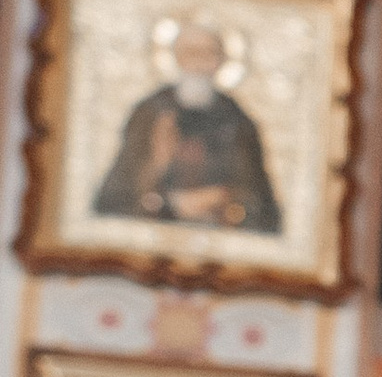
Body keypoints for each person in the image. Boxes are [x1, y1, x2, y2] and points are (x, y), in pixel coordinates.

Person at [91, 19, 280, 231]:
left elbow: (257, 198)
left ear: (221, 60)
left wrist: (224, 198)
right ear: (177, 58)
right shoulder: (149, 113)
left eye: (209, 53)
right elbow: (117, 195)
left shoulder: (237, 121)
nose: (199, 62)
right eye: (191, 53)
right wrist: (157, 168)